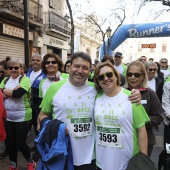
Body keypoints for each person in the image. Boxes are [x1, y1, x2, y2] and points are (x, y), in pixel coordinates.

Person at [38, 52, 141, 170]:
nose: (80, 71)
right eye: (77, 66)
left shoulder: (96, 90)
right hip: (62, 153)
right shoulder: (54, 88)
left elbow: (115, 93)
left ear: (90, 71)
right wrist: (53, 127)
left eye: (85, 68)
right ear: (70, 67)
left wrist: (135, 93)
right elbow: (42, 115)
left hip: (90, 157)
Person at [93, 61, 149, 170]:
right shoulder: (95, 97)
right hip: (102, 161)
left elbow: (142, 130)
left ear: (116, 76)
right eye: (101, 77)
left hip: (128, 162)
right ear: (98, 82)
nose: (105, 78)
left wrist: (143, 160)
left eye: (109, 74)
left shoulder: (131, 97)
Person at [0, 58, 35, 170]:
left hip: (23, 117)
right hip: (7, 117)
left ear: (21, 69)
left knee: (20, 143)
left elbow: (18, 94)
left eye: (16, 67)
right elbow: (2, 95)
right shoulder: (5, 80)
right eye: (11, 68)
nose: (13, 70)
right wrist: (11, 91)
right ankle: (13, 164)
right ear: (8, 69)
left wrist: (5, 91)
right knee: (10, 143)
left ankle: (30, 161)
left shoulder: (25, 79)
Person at [125, 61, 163, 157]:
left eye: (137, 75)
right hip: (125, 141)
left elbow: (158, 117)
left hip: (146, 140)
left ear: (142, 76)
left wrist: (140, 123)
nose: (132, 77)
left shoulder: (150, 94)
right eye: (130, 74)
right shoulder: (121, 92)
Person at [26, 53, 46, 161]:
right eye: (33, 60)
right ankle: (36, 144)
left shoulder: (44, 74)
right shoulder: (28, 73)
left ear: (41, 62)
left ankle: (39, 151)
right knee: (34, 125)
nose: (34, 62)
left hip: (40, 102)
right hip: (30, 102)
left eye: (37, 60)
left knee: (39, 126)